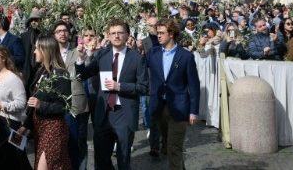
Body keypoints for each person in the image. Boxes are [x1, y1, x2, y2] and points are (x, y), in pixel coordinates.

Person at [75, 21, 148, 170]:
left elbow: (143, 87)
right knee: (101, 159)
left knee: (123, 159)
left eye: (120, 32)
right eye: (113, 33)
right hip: (104, 115)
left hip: (124, 114)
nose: (116, 36)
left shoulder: (136, 58)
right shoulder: (103, 55)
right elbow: (83, 74)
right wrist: (80, 59)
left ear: (127, 35)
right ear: (108, 35)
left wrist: (120, 86)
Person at [147, 19, 200, 170]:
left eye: (162, 33)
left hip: (179, 107)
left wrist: (193, 111)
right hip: (159, 107)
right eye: (157, 33)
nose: (158, 36)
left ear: (171, 34)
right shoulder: (153, 53)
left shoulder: (186, 56)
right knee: (168, 146)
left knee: (174, 147)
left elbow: (194, 85)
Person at [20, 35, 72, 170]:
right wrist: (26, 126)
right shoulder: (42, 71)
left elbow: (65, 106)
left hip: (53, 128)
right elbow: (34, 104)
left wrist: (41, 105)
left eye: (37, 48)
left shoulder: (60, 74)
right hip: (39, 127)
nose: (34, 51)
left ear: (45, 50)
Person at [0, 45, 32, 170]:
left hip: (10, 125)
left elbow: (22, 103)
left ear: (4, 58)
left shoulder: (13, 79)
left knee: (14, 161)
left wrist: (2, 104)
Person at [53, 20, 89, 170]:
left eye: (65, 30)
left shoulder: (78, 51)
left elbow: (84, 73)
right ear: (54, 35)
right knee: (62, 143)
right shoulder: (51, 54)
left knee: (78, 143)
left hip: (77, 104)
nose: (62, 33)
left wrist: (82, 58)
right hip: (57, 105)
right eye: (59, 31)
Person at [20, 10, 43, 93]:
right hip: (26, 68)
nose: (34, 22)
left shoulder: (42, 35)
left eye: (36, 20)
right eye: (32, 20)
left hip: (39, 67)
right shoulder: (24, 35)